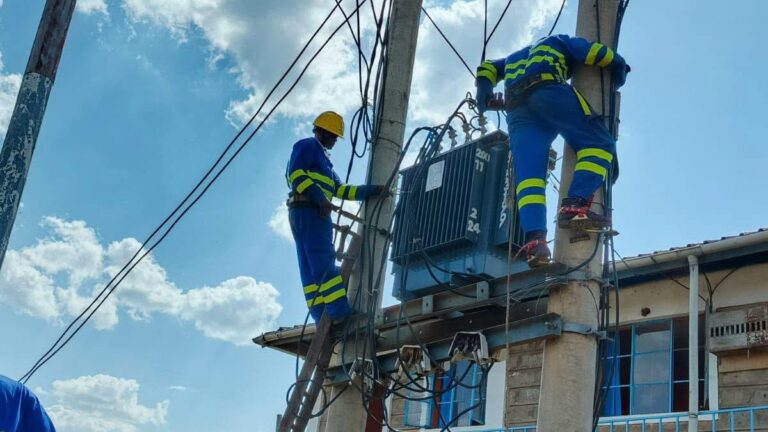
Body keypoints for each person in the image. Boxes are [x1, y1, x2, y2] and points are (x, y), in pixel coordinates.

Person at [475, 34, 630, 267]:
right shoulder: (559, 41)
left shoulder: (512, 59)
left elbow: (486, 68)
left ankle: (535, 241)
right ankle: (575, 206)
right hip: (547, 90)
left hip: (517, 110)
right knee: (599, 143)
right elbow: (590, 51)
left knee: (530, 179)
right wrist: (619, 66)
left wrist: (484, 93)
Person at [285, 111, 385, 323]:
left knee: (310, 268)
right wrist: (320, 199)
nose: (333, 141)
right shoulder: (307, 146)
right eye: (331, 136)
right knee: (322, 259)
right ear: (320, 132)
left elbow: (342, 190)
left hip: (303, 212)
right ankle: (339, 314)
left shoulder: (327, 166)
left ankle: (320, 315)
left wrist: (372, 190)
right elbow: (295, 175)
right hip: (312, 211)